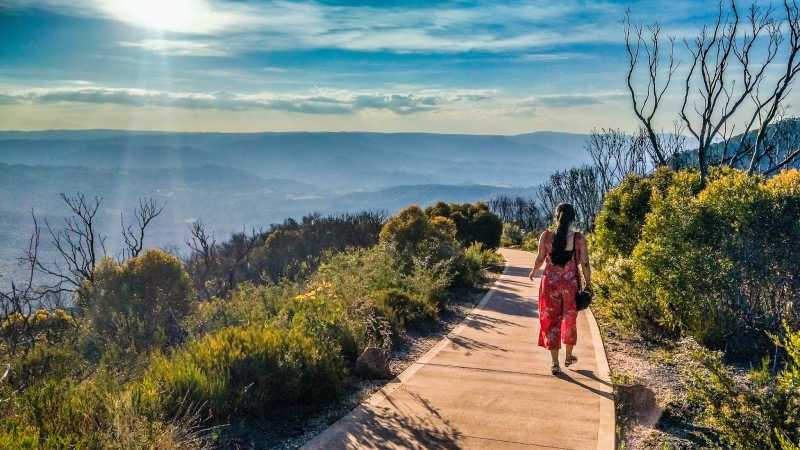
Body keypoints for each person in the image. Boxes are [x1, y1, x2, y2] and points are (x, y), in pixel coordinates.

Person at [528, 203, 591, 375]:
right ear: (572, 218)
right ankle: (569, 356)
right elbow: (584, 263)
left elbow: (541, 258)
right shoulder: (579, 238)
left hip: (549, 285)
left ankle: (555, 364)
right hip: (570, 286)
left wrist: (534, 270)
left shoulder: (546, 236)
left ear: (556, 217)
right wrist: (588, 283)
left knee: (551, 321)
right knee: (570, 320)